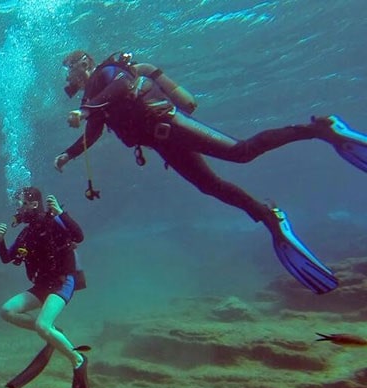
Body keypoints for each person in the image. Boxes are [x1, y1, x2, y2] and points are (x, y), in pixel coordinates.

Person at [54, 50, 367, 295]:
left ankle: (319, 129)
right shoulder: (92, 100)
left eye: (69, 69)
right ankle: (267, 215)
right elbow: (93, 133)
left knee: (241, 152)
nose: (68, 77)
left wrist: (85, 110)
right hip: (164, 143)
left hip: (171, 124)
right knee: (210, 186)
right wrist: (68, 154)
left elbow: (122, 86)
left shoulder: (107, 73)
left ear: (84, 64)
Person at [0, 186, 98, 388]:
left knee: (43, 325)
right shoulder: (27, 232)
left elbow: (78, 236)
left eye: (22, 203)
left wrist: (61, 213)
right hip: (43, 284)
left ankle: (77, 359)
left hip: (63, 280)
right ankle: (52, 331)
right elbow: (7, 258)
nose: (18, 208)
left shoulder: (53, 220)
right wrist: (0, 240)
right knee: (7, 311)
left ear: (34, 204)